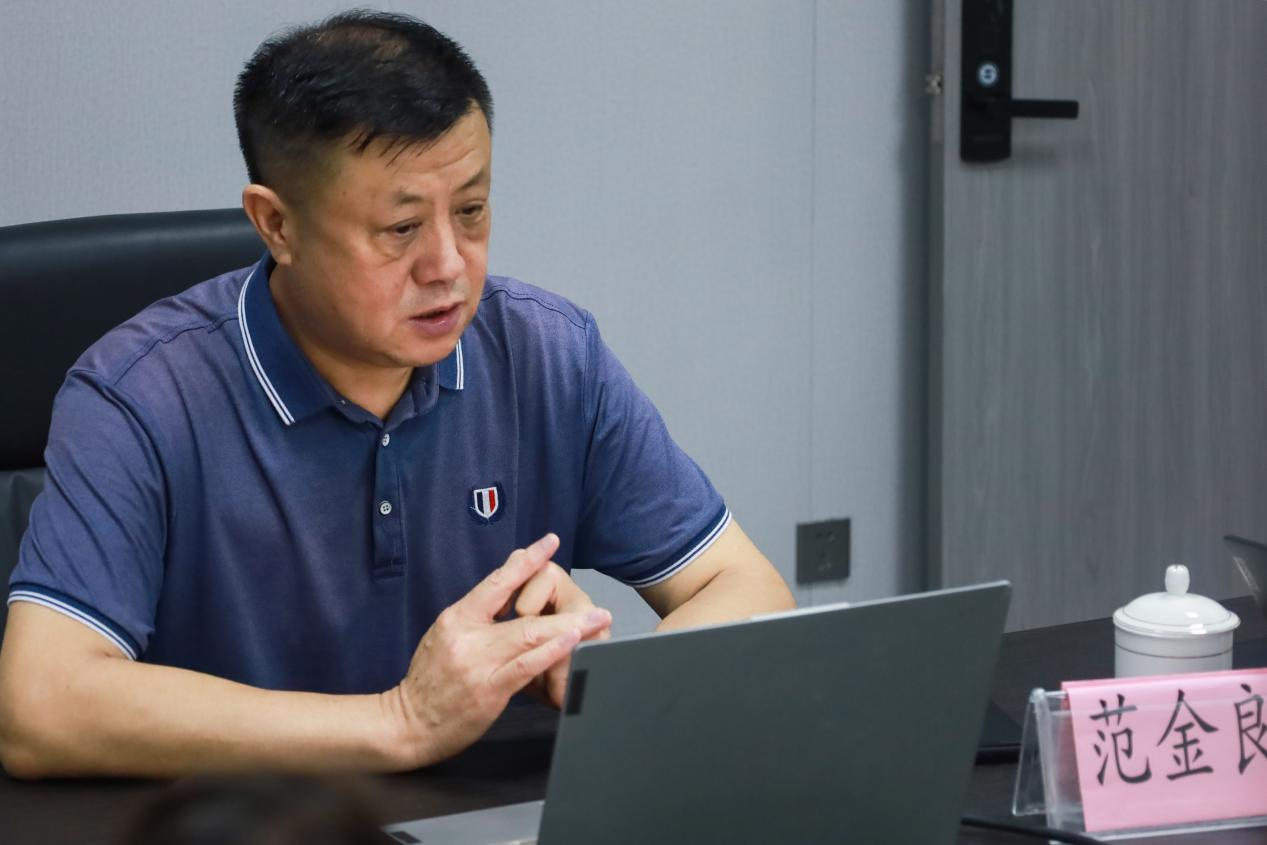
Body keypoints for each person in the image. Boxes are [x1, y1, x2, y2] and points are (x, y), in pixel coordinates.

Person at [0, 11, 793, 779]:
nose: (448, 265)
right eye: (400, 229)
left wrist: (601, 684)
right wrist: (401, 720)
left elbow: (745, 587)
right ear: (276, 225)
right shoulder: (141, 395)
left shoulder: (547, 354)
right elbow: (39, 707)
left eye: (471, 211)